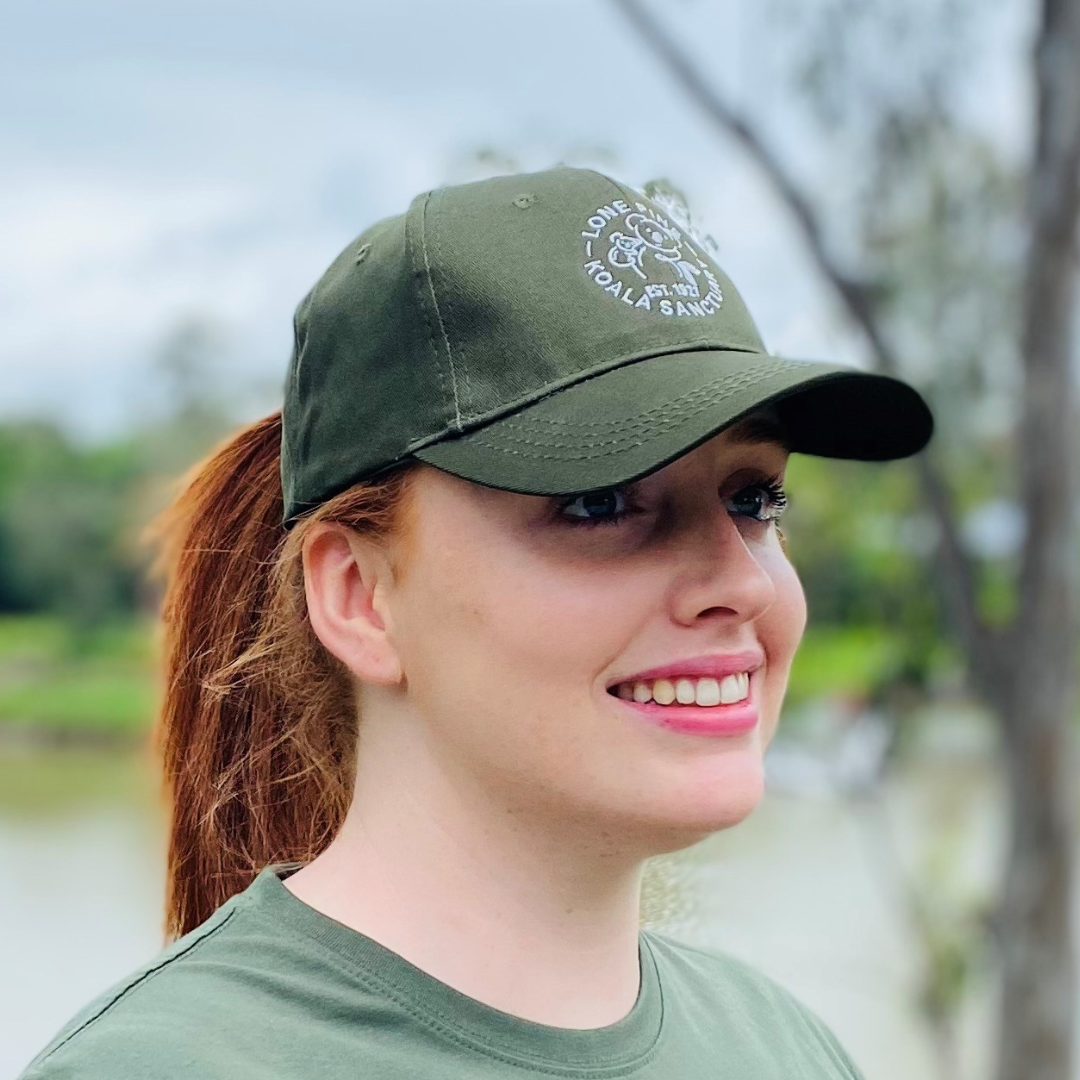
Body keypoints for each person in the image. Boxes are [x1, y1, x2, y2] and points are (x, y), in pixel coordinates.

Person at [18, 165, 933, 1079]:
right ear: (359, 596)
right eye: (600, 501)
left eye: (754, 499)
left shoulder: (782, 1048)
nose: (742, 582)